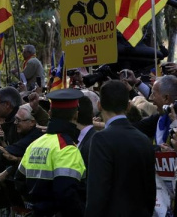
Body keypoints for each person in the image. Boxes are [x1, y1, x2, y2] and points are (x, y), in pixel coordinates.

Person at [85, 80, 155, 216]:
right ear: (129, 106)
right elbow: (150, 191)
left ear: (99, 105)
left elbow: (97, 192)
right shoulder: (144, 139)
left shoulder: (101, 139)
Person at [16, 88, 86, 216]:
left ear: (49, 113)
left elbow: (19, 180)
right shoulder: (67, 148)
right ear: (75, 114)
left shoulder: (34, 144)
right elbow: (66, 194)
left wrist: (37, 205)